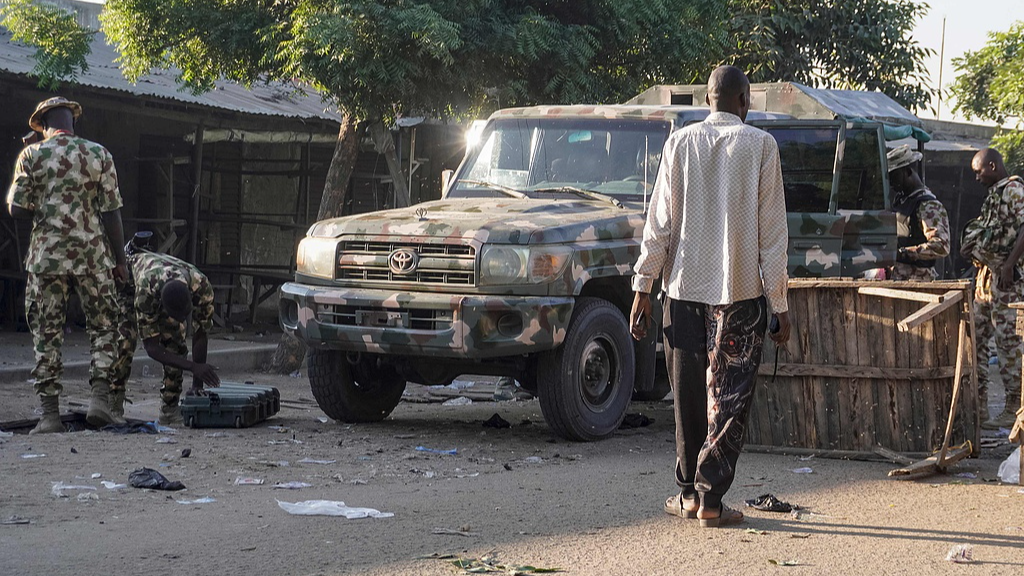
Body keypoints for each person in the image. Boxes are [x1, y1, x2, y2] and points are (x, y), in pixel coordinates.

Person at [629, 65, 790, 528]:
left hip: (681, 291)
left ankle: (687, 495)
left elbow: (657, 225)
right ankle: (712, 498)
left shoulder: (679, 143)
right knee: (730, 397)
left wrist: (642, 287)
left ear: (707, 99)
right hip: (739, 296)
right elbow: (772, 237)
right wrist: (779, 305)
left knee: (688, 396)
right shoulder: (761, 146)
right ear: (745, 102)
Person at [5, 97, 128, 434]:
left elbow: (15, 209)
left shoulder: (31, 155)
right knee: (104, 327)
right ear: (72, 121)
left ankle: (49, 416)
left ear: (43, 124)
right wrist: (120, 261)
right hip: (93, 256)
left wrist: (43, 211)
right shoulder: (99, 154)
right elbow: (112, 212)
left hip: (47, 258)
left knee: (47, 335)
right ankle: (99, 401)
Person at [109, 240, 219, 425]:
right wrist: (192, 366)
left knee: (176, 343)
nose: (182, 321)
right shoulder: (145, 292)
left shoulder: (202, 286)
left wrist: (197, 385)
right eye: (176, 317)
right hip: (129, 285)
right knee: (125, 341)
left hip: (163, 280)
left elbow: (201, 333)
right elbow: (152, 348)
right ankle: (113, 403)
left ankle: (169, 408)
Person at [961, 148, 1024, 429]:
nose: (977, 178)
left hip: (1007, 280)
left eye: (979, 171)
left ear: (992, 165)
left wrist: (1010, 263)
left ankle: (1015, 406)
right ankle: (980, 405)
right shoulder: (994, 194)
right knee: (975, 338)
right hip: (986, 277)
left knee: (1008, 342)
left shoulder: (1012, 190)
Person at [886, 145, 950, 281]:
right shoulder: (902, 200)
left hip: (918, 279)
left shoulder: (927, 205)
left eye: (893, 176)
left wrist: (905, 253)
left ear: (908, 172)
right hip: (898, 277)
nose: (891, 182)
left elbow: (941, 246)